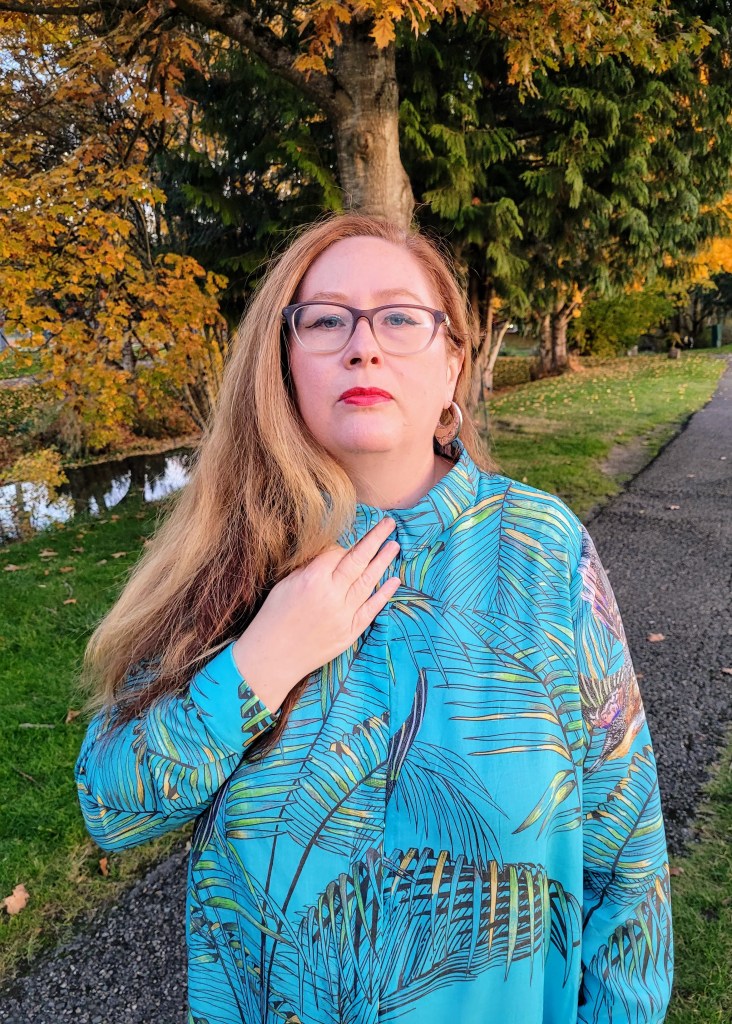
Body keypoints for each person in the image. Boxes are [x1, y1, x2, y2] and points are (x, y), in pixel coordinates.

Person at [74, 212, 673, 1024]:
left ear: (452, 363)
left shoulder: (542, 549)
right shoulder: (230, 553)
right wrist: (260, 664)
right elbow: (113, 806)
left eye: (399, 317)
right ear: (284, 363)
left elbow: (626, 859)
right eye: (326, 321)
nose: (363, 346)